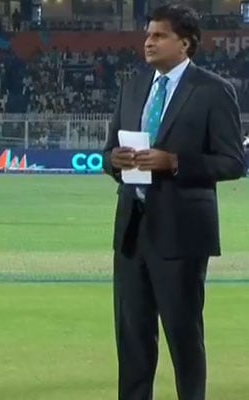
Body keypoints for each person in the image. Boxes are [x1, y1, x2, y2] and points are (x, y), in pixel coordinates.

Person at [102, 4, 246, 400]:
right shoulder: (133, 87)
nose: (148, 42)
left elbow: (233, 162)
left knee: (184, 339)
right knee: (132, 340)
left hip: (182, 235)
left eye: (159, 35)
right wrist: (114, 161)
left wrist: (176, 162)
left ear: (185, 43)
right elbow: (107, 152)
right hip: (131, 233)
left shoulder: (213, 90)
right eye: (147, 35)